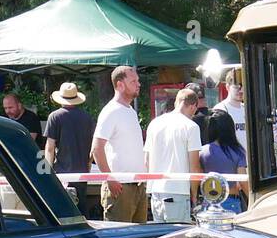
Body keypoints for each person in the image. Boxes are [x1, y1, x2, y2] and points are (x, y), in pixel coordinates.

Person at [92, 65, 147, 224]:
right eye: (133, 81)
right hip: (121, 187)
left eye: (138, 80)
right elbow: (97, 148)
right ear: (120, 84)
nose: (138, 84)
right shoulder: (111, 111)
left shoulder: (130, 111)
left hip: (137, 185)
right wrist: (110, 179)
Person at [144, 86, 203, 221]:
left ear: (177, 102)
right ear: (193, 106)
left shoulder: (155, 123)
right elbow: (194, 166)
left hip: (156, 192)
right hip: (178, 191)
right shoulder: (191, 127)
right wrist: (194, 195)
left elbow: (146, 160)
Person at [45, 81, 97, 219]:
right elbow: (93, 146)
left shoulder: (55, 117)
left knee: (63, 211)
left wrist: (48, 171)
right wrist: (88, 165)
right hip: (82, 172)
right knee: (81, 208)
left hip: (62, 172)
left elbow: (50, 148)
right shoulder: (87, 117)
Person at [199, 108, 246, 212]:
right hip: (231, 201)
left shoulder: (202, 151)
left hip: (209, 202)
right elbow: (243, 181)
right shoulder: (237, 151)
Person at [212, 68, 246, 150]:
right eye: (236, 87)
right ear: (227, 87)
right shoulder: (220, 110)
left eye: (243, 87)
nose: (240, 90)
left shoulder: (248, 109)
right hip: (232, 159)